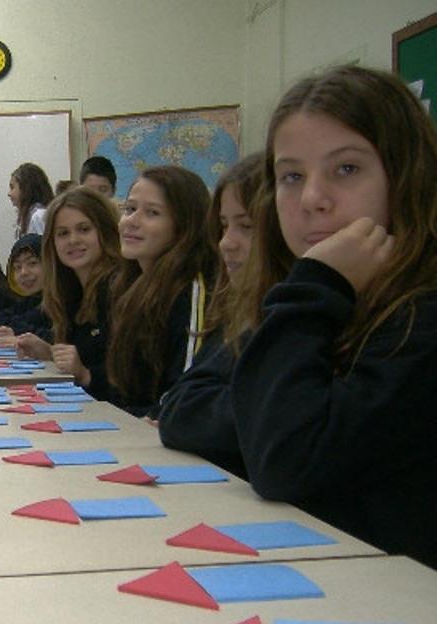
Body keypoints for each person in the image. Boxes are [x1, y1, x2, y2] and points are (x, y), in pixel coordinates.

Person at [230, 65, 437, 568]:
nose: (312, 200)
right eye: (292, 176)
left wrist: (317, 285)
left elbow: (281, 460)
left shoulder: (421, 315)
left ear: (405, 177)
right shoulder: (305, 296)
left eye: (346, 169)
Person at [156, 153, 266, 477]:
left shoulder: (284, 318)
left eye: (247, 227)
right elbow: (179, 403)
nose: (226, 243)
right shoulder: (236, 308)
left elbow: (181, 410)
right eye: (224, 226)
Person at [108, 165, 217, 416]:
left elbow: (186, 391)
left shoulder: (192, 289)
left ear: (184, 226)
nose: (132, 221)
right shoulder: (128, 284)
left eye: (152, 213)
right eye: (130, 209)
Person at [16, 187, 121, 392]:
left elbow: (135, 387)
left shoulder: (119, 290)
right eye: (63, 233)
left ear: (105, 231)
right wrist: (50, 353)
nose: (73, 240)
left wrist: (85, 375)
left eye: (84, 229)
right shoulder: (68, 292)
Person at [0, 233, 51, 339]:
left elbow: (57, 339)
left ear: (51, 264)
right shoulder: (28, 300)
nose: (23, 272)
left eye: (32, 263)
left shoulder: (60, 302)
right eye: (17, 267)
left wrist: (17, 330)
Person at [9, 162, 53, 238]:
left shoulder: (39, 216)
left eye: (12, 187)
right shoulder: (27, 216)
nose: (9, 193)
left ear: (25, 189)